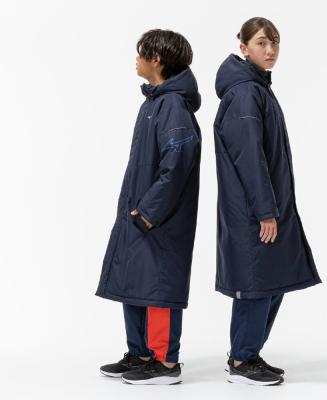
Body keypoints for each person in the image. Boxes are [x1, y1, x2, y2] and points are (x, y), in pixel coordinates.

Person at [213, 17, 322, 385]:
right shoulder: (246, 92)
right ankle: (242, 362)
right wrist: (264, 211)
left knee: (271, 280)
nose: (271, 50)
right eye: (261, 42)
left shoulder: (257, 87)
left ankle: (248, 354)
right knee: (256, 282)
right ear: (243, 48)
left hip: (267, 207)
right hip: (254, 211)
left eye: (275, 42)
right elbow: (249, 157)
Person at [95, 29, 202, 385]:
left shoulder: (172, 106)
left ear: (156, 59)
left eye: (140, 53)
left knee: (159, 287)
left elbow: (178, 163)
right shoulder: (153, 104)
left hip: (160, 219)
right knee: (136, 282)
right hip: (141, 215)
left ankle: (165, 363)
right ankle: (140, 353)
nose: (136, 60)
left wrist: (149, 212)